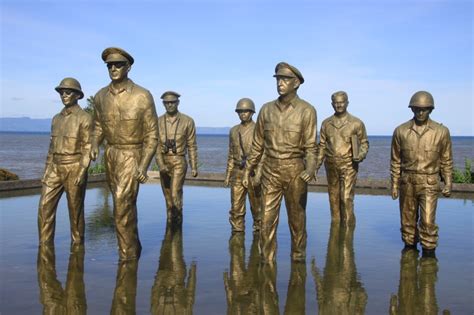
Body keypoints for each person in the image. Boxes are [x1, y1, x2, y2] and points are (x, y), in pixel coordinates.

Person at [243, 62, 317, 263]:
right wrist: (247, 170)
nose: (280, 83)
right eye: (278, 79)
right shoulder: (266, 110)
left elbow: (311, 147)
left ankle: (298, 259)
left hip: (295, 171)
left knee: (297, 220)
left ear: (296, 83)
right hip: (270, 171)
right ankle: (267, 265)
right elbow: (257, 145)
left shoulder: (307, 111)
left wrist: (310, 167)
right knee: (266, 220)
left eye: (285, 79)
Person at [91, 47, 158, 260]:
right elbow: (99, 125)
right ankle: (134, 247)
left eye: (118, 64)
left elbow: (152, 135)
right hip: (110, 155)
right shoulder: (101, 96)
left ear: (128, 67)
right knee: (125, 206)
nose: (113, 68)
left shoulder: (142, 96)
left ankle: (126, 258)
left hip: (132, 154)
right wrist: (94, 143)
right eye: (109, 65)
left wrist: (143, 164)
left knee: (121, 206)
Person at [390, 91, 453, 257]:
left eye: (424, 109)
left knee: (427, 221)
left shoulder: (441, 132)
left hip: (429, 182)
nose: (420, 112)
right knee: (407, 222)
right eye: (417, 109)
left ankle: (429, 259)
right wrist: (394, 184)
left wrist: (448, 182)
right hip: (407, 182)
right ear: (412, 109)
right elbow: (395, 161)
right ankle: (408, 261)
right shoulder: (401, 131)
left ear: (430, 110)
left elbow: (446, 160)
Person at [38, 77, 92, 245]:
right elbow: (51, 147)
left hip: (74, 166)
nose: (64, 95)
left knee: (75, 212)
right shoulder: (56, 119)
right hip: (55, 167)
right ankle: (45, 247)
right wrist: (46, 171)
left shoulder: (85, 118)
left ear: (77, 95)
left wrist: (82, 171)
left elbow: (88, 148)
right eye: (61, 92)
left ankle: (77, 249)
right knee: (44, 207)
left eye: (68, 92)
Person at [315, 91, 369, 224]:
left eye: (341, 102)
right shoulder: (326, 123)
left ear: (347, 103)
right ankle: (335, 234)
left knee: (345, 199)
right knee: (333, 199)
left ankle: (348, 234)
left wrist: (360, 155)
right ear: (332, 104)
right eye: (336, 103)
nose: (339, 105)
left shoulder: (356, 123)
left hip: (349, 165)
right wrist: (315, 167)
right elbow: (322, 146)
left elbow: (364, 143)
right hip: (331, 165)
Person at [155, 91, 198, 224]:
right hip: (164, 160)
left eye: (172, 102)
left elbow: (192, 145)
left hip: (179, 160)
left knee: (175, 193)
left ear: (178, 103)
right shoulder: (157, 122)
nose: (170, 105)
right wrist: (160, 164)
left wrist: (194, 166)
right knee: (168, 197)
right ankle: (171, 225)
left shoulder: (188, 121)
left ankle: (178, 221)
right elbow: (155, 146)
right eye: (167, 103)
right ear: (163, 104)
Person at [224, 98, 262, 233]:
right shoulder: (233, 131)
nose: (243, 114)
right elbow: (231, 154)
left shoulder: (259, 129)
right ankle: (237, 235)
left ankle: (259, 233)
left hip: (253, 172)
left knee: (257, 206)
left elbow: (264, 153)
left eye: (246, 111)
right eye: (240, 111)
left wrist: (259, 174)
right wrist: (228, 175)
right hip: (237, 172)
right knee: (236, 207)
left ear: (252, 113)